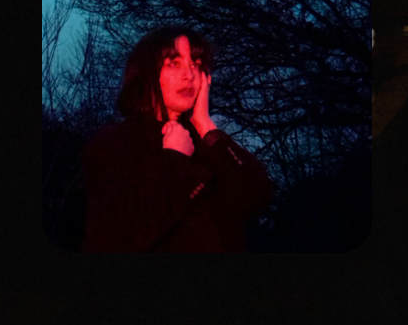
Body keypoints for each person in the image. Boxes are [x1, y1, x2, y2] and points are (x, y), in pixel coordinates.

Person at [80, 26, 275, 252]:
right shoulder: (114, 144)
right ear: (147, 73)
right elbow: (123, 236)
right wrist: (175, 160)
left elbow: (257, 197)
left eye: (196, 65)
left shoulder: (208, 146)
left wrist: (205, 125)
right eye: (174, 63)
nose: (189, 75)